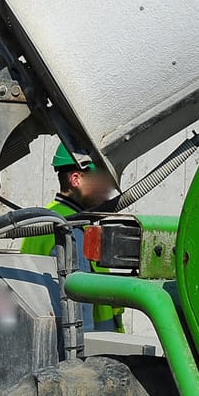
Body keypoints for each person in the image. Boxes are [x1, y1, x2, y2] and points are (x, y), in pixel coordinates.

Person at [21, 142, 124, 332]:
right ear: (76, 179)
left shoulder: (43, 219)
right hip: (90, 353)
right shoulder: (72, 230)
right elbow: (79, 322)